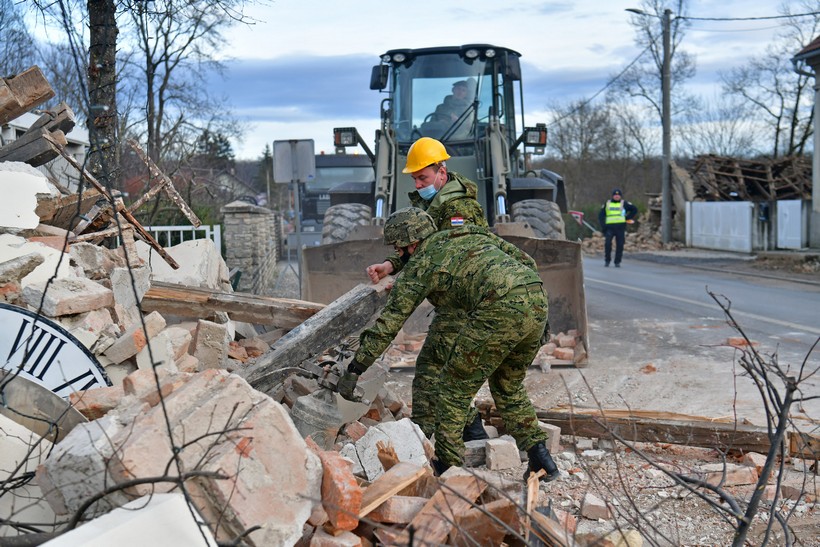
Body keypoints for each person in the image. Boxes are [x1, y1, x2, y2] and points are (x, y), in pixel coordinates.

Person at [339, 207, 560, 482]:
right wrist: (540, 319)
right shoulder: (469, 232)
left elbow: (389, 324)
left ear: (411, 244)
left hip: (498, 308)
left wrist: (356, 367)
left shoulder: (421, 265)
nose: (399, 253)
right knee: (508, 386)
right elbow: (526, 261)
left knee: (451, 388)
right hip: (535, 297)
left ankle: (449, 469)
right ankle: (542, 461)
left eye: (399, 247)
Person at [365, 137, 489, 443]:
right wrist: (391, 265)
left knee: (442, 369)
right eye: (415, 178)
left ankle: (463, 434)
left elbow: (457, 254)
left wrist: (412, 280)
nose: (419, 184)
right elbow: (415, 244)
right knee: (433, 369)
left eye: (424, 177)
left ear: (442, 172)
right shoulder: (426, 203)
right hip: (448, 299)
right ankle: (429, 432)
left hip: (464, 298)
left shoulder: (460, 208)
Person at [597, 188, 638, 268]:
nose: (616, 196)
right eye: (615, 195)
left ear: (620, 196)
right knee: (608, 244)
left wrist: (627, 218)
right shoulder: (607, 203)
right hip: (609, 227)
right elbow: (601, 215)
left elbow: (634, 209)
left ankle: (617, 262)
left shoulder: (624, 204)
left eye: (618, 195)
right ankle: (607, 260)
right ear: (612, 196)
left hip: (620, 227)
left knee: (620, 245)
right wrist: (603, 226)